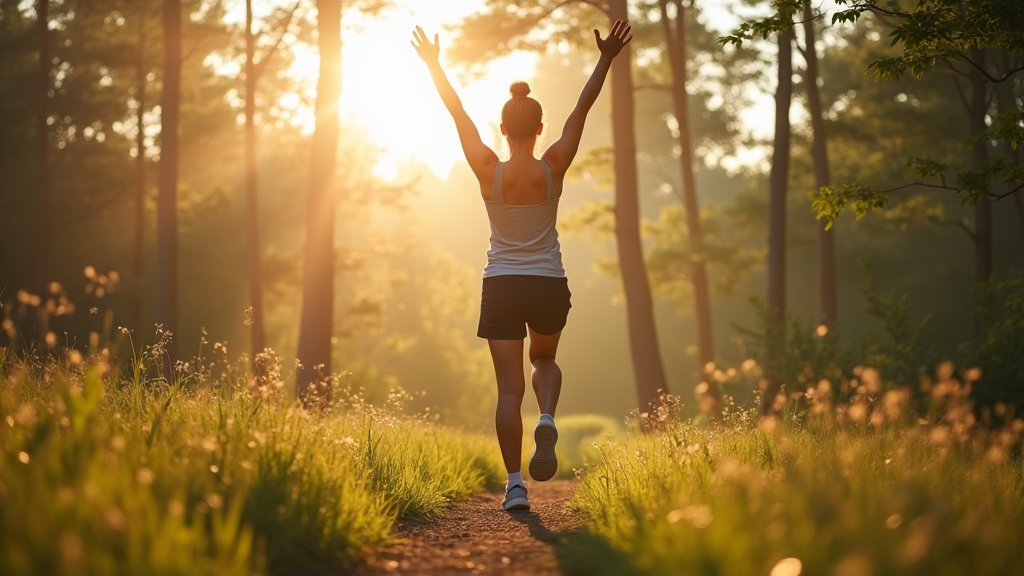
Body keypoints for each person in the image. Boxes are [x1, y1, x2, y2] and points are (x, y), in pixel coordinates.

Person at [411, 20, 633, 512]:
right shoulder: (553, 165)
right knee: (545, 361)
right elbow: (581, 110)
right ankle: (548, 417)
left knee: (508, 388)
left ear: (502, 130)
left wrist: (434, 65)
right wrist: (605, 58)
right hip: (548, 282)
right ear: (537, 129)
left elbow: (457, 114)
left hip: (502, 283)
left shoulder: (488, 169)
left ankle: (514, 485)